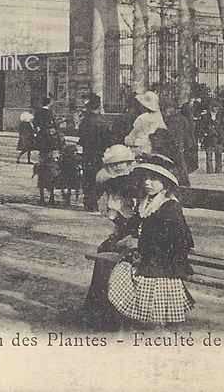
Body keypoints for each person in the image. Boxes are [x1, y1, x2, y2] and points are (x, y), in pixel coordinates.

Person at [102, 156, 196, 326]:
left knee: (141, 279)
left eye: (154, 179)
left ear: (166, 183)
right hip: (148, 254)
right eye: (145, 178)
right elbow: (136, 224)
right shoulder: (147, 202)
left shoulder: (169, 207)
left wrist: (140, 243)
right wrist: (121, 235)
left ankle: (152, 318)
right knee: (118, 269)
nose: (148, 182)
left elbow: (176, 240)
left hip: (165, 259)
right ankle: (134, 316)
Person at [77, 94, 110, 210]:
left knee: (88, 177)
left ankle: (89, 201)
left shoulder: (85, 121)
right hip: (101, 153)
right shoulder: (105, 121)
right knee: (99, 177)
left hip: (88, 153)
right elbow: (108, 139)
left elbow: (81, 137)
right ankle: (96, 200)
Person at [123, 90, 166, 158]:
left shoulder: (142, 118)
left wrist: (127, 140)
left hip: (141, 148)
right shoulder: (159, 117)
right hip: (155, 147)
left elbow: (132, 135)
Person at [200, 99, 224, 174]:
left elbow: (223, 126)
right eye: (215, 107)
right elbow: (201, 127)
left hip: (218, 138)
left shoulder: (220, 116)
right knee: (209, 156)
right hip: (209, 138)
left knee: (219, 155)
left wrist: (222, 134)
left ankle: (218, 170)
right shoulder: (205, 116)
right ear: (212, 108)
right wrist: (204, 133)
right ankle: (209, 170)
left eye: (218, 107)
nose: (217, 109)